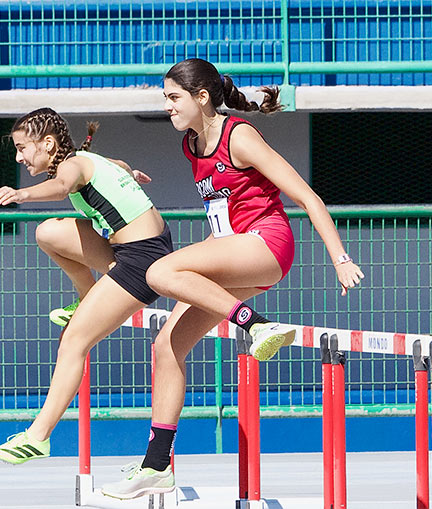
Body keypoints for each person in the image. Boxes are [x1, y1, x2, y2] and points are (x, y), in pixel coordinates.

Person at [99, 58, 364, 499]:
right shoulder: (191, 145)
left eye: (173, 98)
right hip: (234, 250)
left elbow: (307, 196)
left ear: (201, 98)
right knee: (166, 346)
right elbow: (222, 219)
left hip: (267, 243)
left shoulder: (238, 136)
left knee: (160, 270)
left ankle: (254, 322)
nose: (166, 107)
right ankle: (156, 465)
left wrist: (339, 258)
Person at [0, 108, 174, 464]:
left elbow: (60, 187)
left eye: (22, 148)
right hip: (135, 249)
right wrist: (128, 174)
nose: (18, 157)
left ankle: (38, 437)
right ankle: (87, 295)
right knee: (48, 231)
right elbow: (118, 166)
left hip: (140, 262)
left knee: (73, 339)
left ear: (47, 144)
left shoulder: (70, 168)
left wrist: (21, 194)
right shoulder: (90, 159)